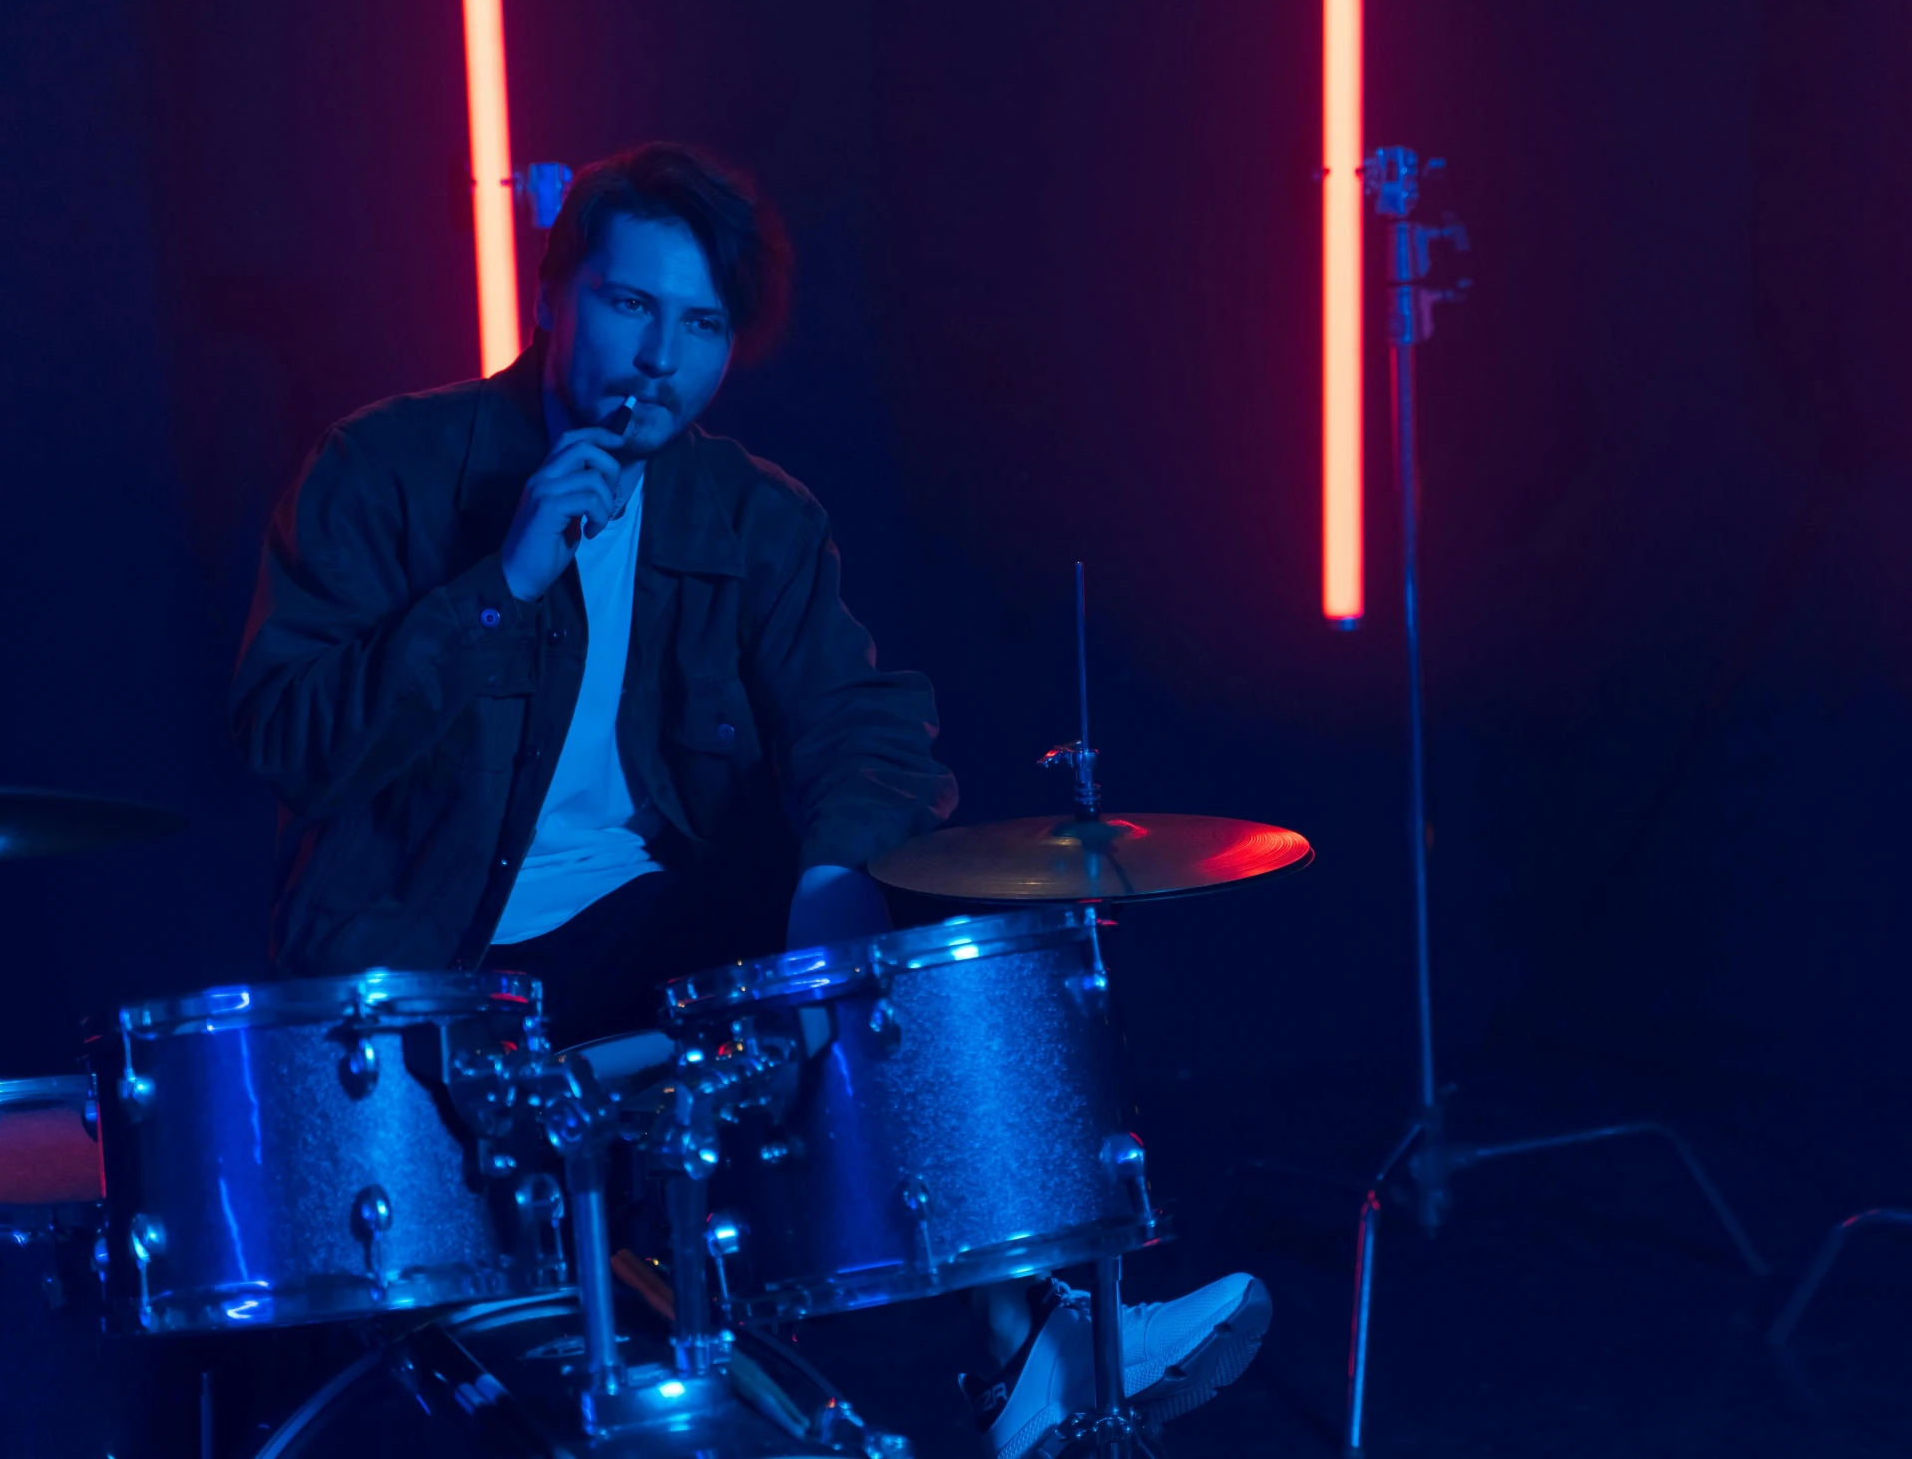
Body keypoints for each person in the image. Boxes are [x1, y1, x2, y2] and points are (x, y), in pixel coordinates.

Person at [231, 142, 1267, 1456]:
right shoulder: (383, 469)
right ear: (554, 296)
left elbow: (861, 719)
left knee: (912, 900)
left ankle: (1034, 1328)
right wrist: (498, 582)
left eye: (701, 324)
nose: (657, 354)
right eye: (628, 304)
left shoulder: (750, 517)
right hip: (422, 956)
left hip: (629, 929)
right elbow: (285, 739)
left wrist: (838, 877)